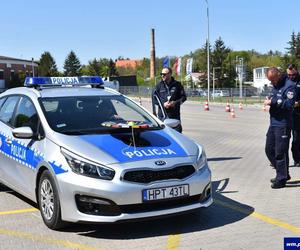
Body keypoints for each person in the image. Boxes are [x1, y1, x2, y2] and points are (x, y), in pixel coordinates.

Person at [264, 67, 296, 189]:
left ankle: (281, 179)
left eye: (273, 80)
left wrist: (272, 102)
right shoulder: (275, 85)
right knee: (269, 150)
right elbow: (275, 97)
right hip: (273, 123)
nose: (272, 83)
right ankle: (283, 173)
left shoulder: (290, 86)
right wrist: (270, 100)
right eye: (270, 80)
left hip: (283, 124)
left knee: (280, 153)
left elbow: (289, 104)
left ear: (278, 75)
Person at [153, 67, 186, 132]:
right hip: (162, 116)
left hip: (174, 115)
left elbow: (184, 97)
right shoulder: (158, 86)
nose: (162, 75)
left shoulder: (177, 85)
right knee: (163, 136)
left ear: (170, 74)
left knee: (177, 135)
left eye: (164, 74)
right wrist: (163, 104)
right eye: (161, 74)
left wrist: (175, 103)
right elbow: (154, 99)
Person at [286, 64, 300, 167]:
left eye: (293, 74)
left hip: (297, 114)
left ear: (297, 72)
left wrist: (298, 103)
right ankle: (280, 160)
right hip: (286, 114)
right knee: (283, 139)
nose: (291, 76)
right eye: (289, 75)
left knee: (296, 139)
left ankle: (297, 159)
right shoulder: (284, 80)